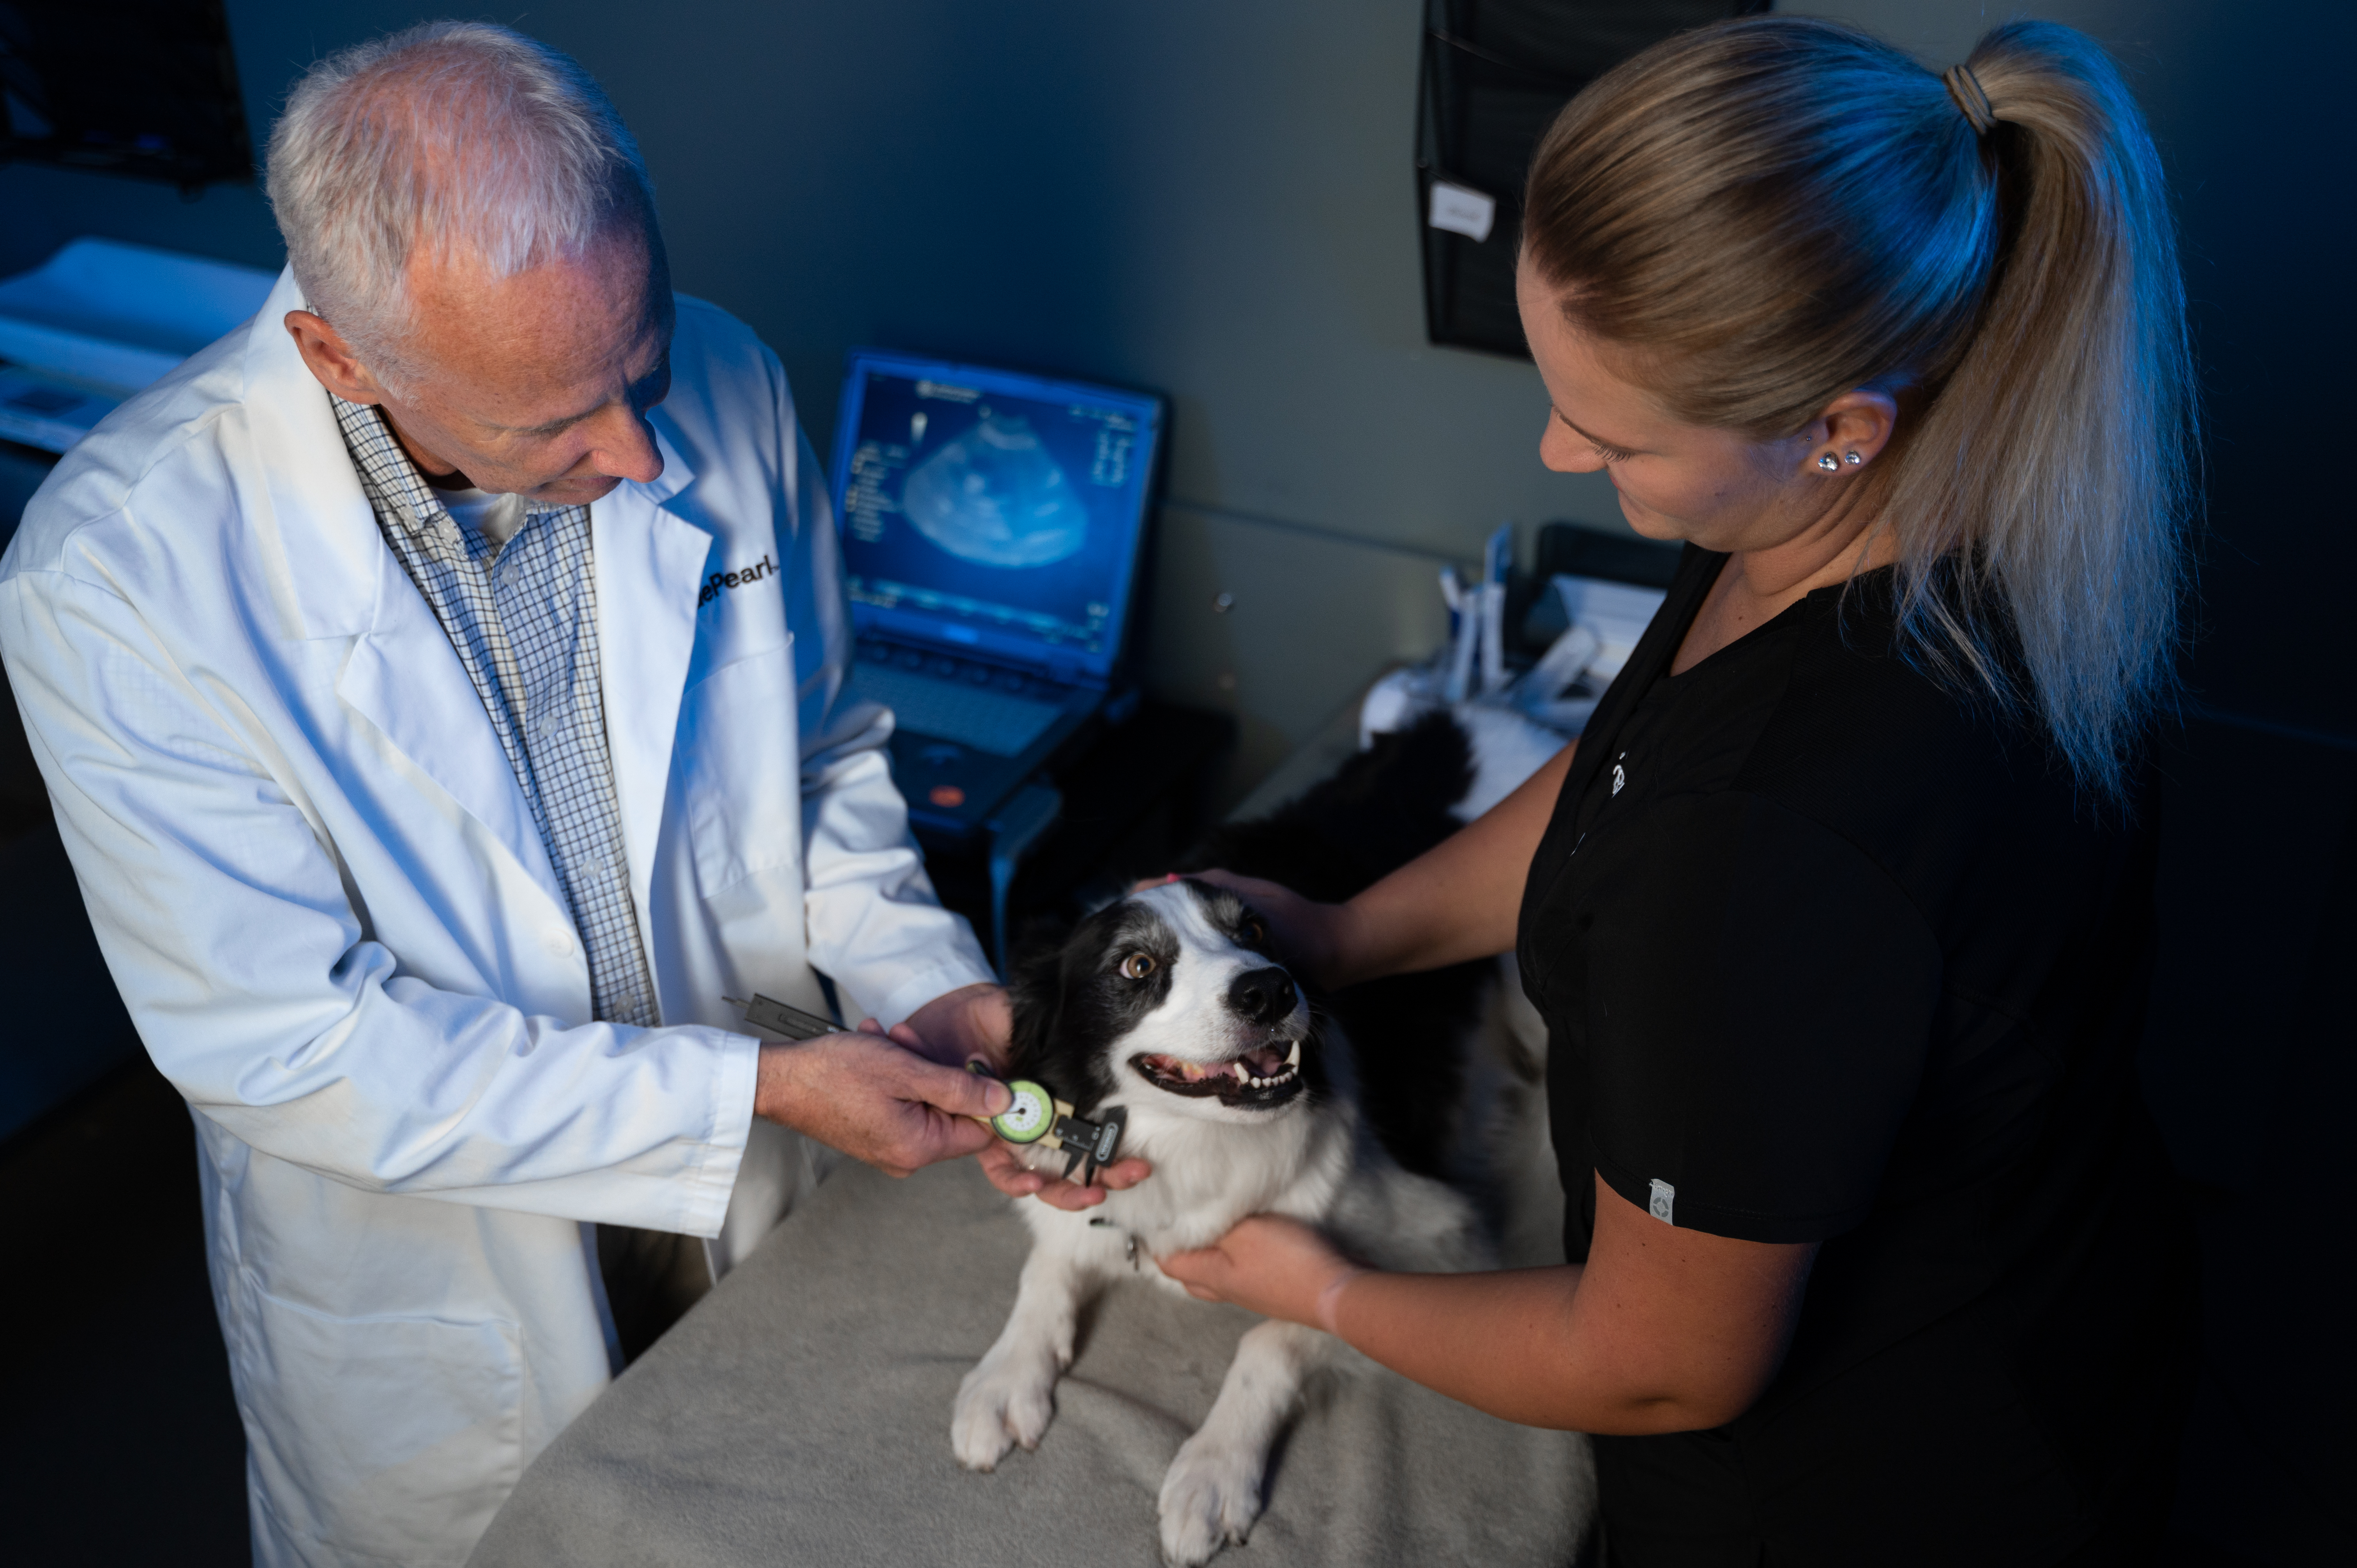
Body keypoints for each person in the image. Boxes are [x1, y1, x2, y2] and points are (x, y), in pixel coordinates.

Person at [0, 21, 1133, 1566]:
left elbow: (820, 762)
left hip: (763, 1182)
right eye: (551, 425)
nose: (646, 453)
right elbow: (291, 1047)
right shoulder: (121, 576)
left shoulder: (722, 376)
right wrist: (740, 1091)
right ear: (340, 358)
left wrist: (923, 978)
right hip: (449, 1271)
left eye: (644, 369)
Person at [1161, 17, 2197, 1565]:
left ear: (1839, 429)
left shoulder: (1780, 847)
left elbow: (1663, 1361)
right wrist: (1348, 934)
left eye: (1614, 428)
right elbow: (1632, 756)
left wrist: (1315, 1286)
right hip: (2059, 1285)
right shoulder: (1875, 518)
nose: (1558, 448)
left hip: (1881, 1493)